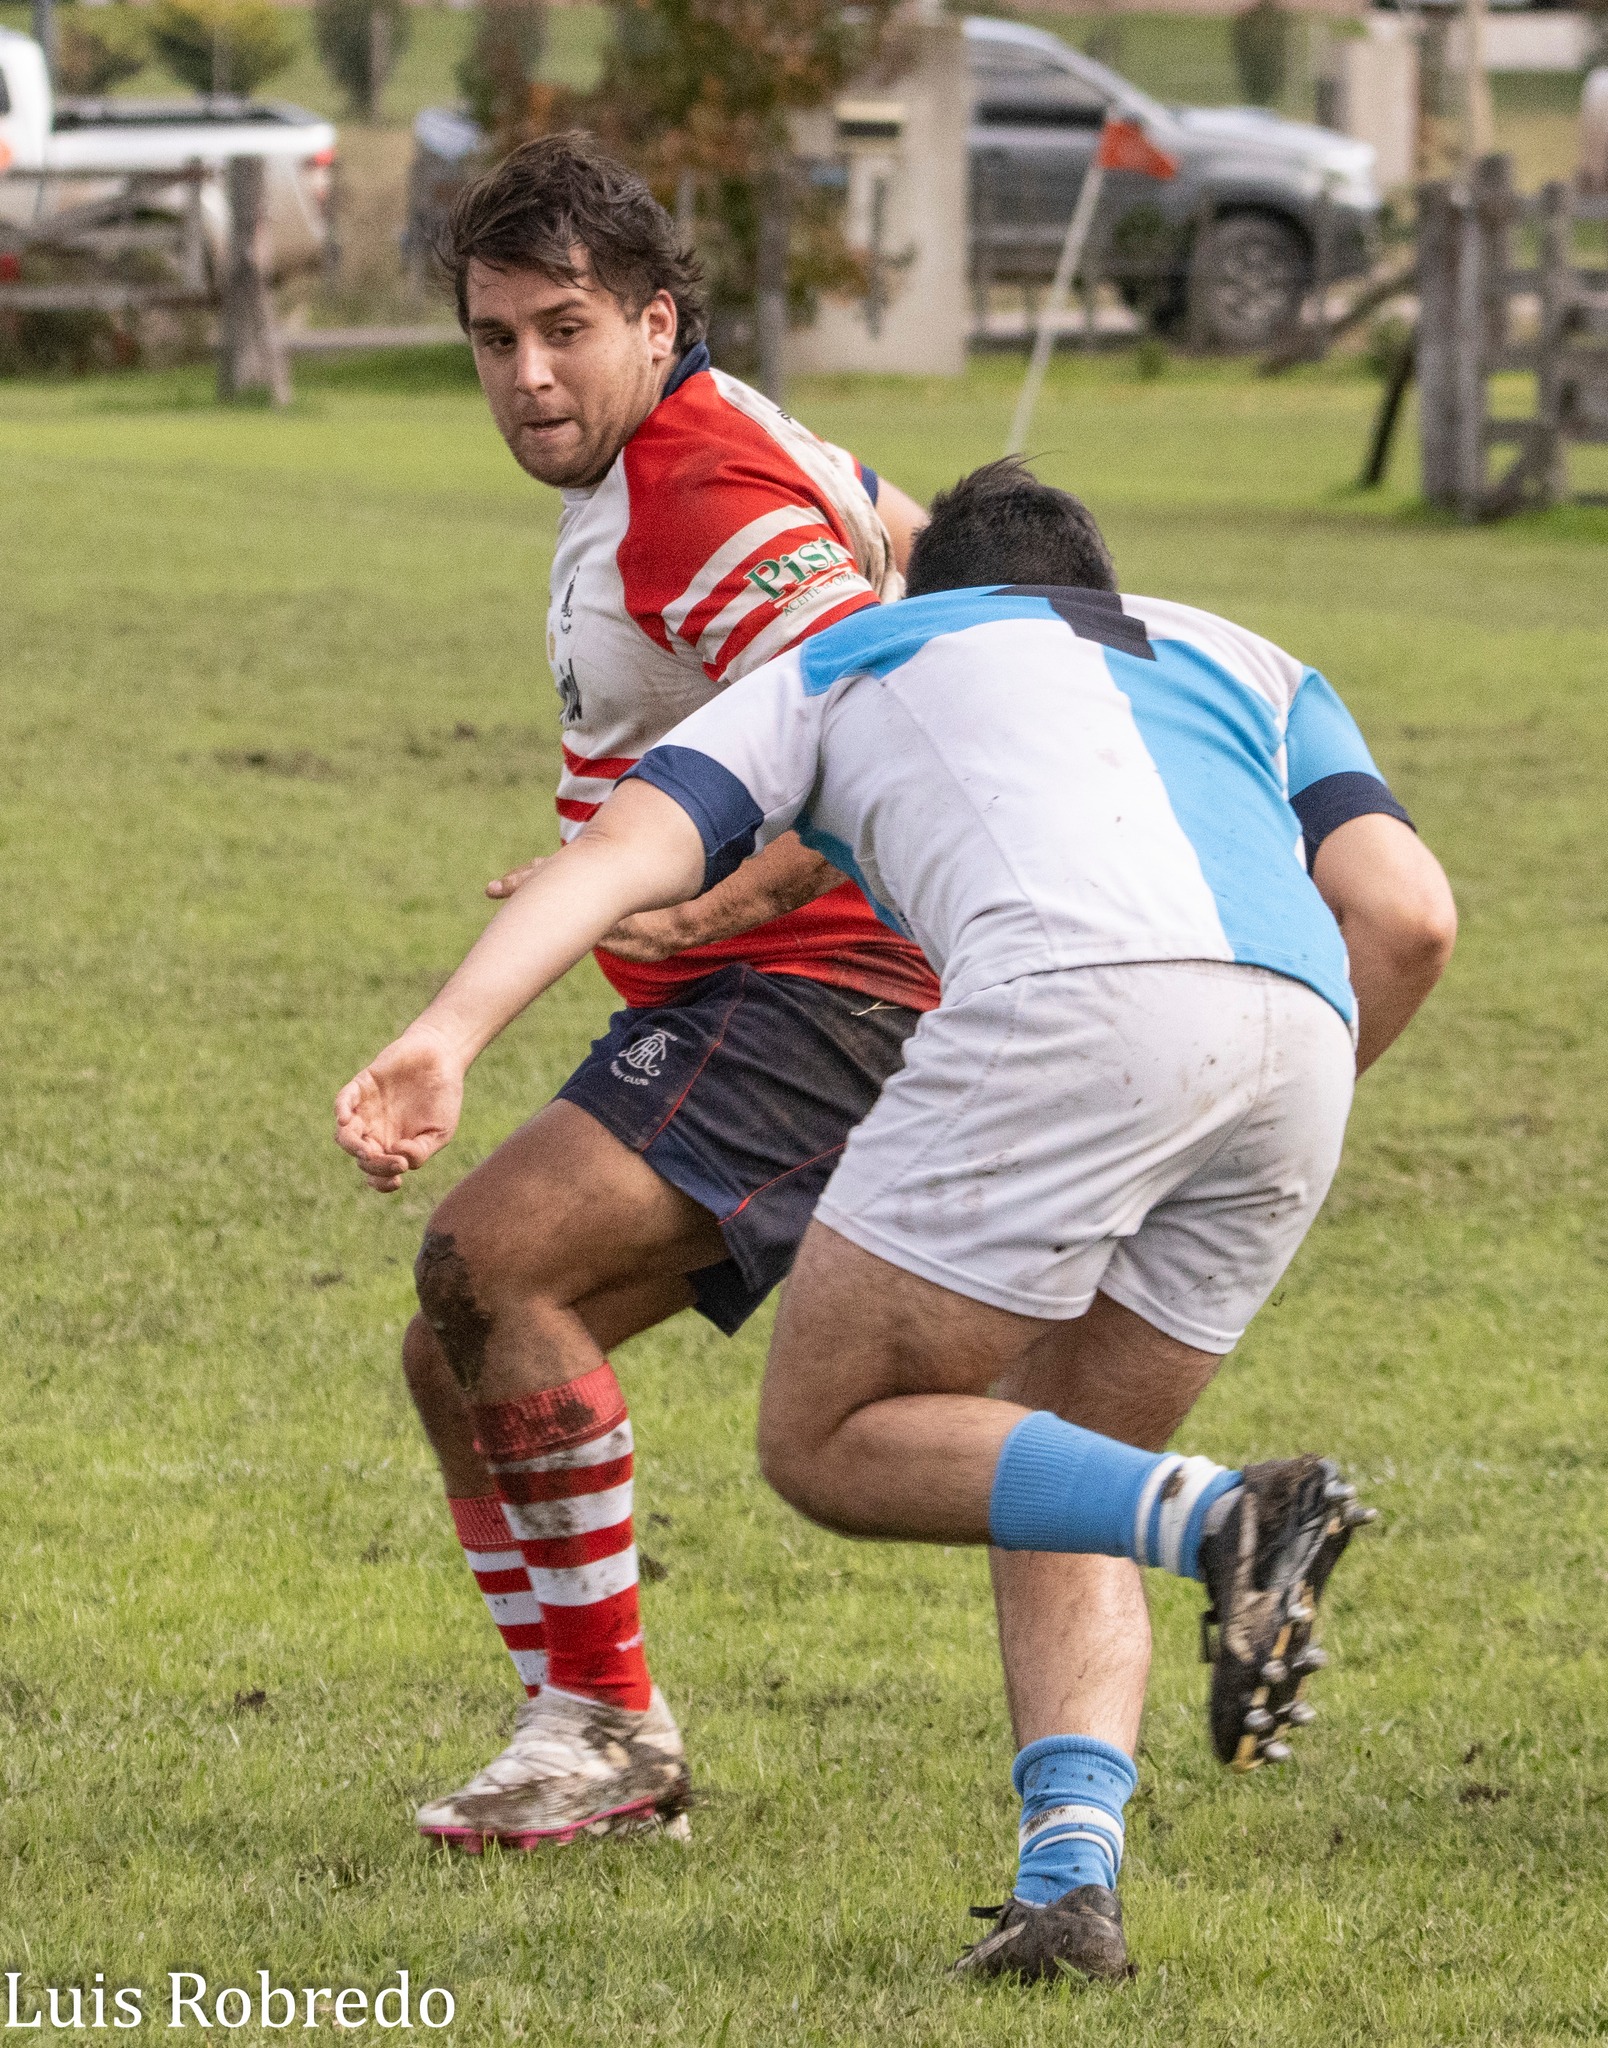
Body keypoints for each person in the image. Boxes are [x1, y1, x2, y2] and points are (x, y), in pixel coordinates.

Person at [337, 458, 1456, 1977]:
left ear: (939, 591)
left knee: (833, 1436)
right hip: (1299, 1044)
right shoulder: (1255, 661)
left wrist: (446, 1034)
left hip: (1067, 1003)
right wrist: (1272, 1091)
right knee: (1054, 1470)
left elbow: (624, 850)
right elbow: (1407, 914)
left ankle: (1230, 1517)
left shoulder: (857, 649)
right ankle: (1071, 1888)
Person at [388, 132, 937, 1851]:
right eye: (495, 340)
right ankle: (588, 1736)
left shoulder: (698, 484)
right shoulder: (718, 432)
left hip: (828, 989)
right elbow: (917, 548)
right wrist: (620, 863)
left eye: (564, 329)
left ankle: (610, 1734)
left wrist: (726, 885)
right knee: (451, 1349)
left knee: (492, 1263)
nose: (531, 376)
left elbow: (873, 715)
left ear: (652, 317)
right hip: (746, 986)